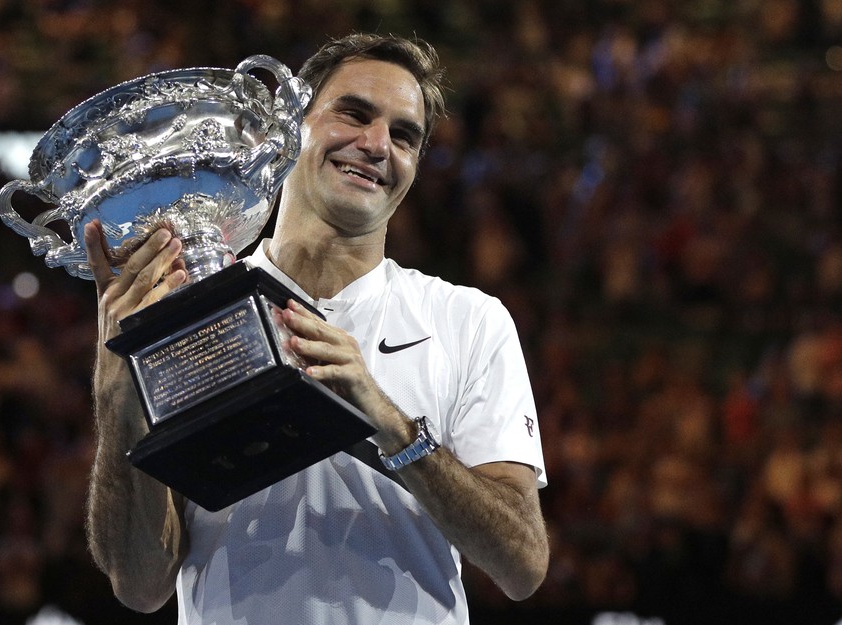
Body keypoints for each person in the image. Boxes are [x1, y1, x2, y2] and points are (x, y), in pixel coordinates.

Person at [83, 33, 549, 625]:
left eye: (403, 135)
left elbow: (522, 565)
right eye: (353, 113)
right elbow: (140, 586)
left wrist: (392, 426)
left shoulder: (468, 322)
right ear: (289, 131)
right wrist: (115, 399)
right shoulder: (193, 309)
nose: (377, 144)